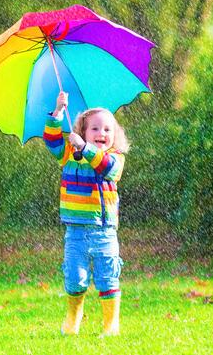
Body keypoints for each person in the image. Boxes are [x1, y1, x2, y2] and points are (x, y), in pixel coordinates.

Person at [43, 91, 129, 336]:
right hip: (76, 230)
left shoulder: (114, 157)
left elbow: (107, 169)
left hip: (104, 230)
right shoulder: (69, 153)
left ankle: (111, 324)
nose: (101, 134)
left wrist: (87, 148)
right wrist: (58, 112)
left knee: (107, 276)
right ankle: (73, 318)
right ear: (82, 130)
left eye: (107, 130)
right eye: (94, 129)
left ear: (115, 135)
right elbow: (52, 142)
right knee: (75, 277)